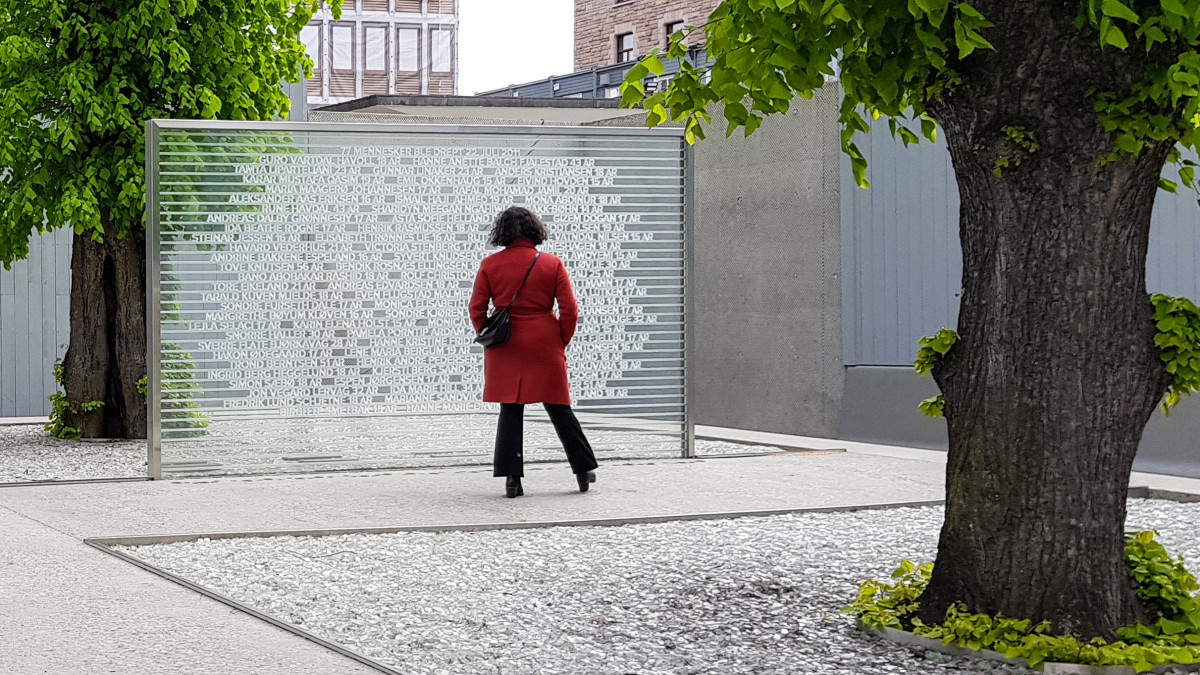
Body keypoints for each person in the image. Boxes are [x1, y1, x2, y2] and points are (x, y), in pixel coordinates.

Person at [469, 206, 598, 498]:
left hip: (506, 344)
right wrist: (560, 340)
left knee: (511, 408)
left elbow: (476, 308)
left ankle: (512, 478)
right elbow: (570, 310)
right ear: (534, 231)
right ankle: (583, 469)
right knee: (559, 407)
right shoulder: (551, 264)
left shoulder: (490, 264)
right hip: (544, 339)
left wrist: (488, 335)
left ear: (502, 232)